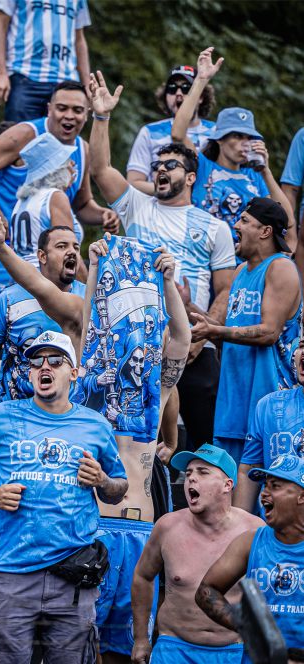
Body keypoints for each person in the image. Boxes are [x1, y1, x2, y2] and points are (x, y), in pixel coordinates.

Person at [0, 330, 128, 663]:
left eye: (56, 360)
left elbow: (119, 490)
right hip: (11, 572)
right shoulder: (2, 416)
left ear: (74, 372)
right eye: (36, 362)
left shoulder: (96, 425)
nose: (45, 366)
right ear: (29, 374)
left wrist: (102, 480)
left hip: (73, 574)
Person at [87, 70, 236, 450]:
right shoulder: (137, 204)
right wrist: (101, 116)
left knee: (204, 443)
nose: (160, 170)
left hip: (196, 343)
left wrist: (206, 333)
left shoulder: (216, 227)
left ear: (191, 178)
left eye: (171, 165)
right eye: (157, 165)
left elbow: (225, 289)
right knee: (137, 439)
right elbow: (100, 170)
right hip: (137, 339)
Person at [83, 233, 191, 664]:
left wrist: (168, 282)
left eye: (146, 348)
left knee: (127, 650)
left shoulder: (155, 396)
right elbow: (88, 330)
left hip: (141, 532)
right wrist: (95, 269)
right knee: (79, 643)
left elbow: (181, 339)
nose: (140, 352)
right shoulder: (87, 395)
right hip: (94, 526)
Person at [189, 198, 301, 464]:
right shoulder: (240, 271)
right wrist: (188, 306)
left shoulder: (280, 267)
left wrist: (216, 332)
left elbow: (269, 333)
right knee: (232, 482)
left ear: (265, 231)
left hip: (271, 404)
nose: (236, 225)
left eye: (244, 220)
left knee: (266, 483)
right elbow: (229, 335)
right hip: (233, 401)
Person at [130, 444, 265, 664]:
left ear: (227, 484)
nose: (191, 478)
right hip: (174, 649)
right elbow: (143, 576)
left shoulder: (256, 531)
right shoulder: (167, 527)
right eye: (189, 473)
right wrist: (141, 638)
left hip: (236, 650)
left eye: (203, 472)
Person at [171, 48, 294, 245]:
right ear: (219, 139)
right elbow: (177, 134)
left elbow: (286, 221)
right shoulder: (202, 167)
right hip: (204, 256)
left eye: (249, 137)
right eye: (237, 136)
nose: (245, 142)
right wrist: (201, 80)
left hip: (243, 259)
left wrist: (266, 172)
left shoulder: (255, 177)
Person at [0, 81, 119, 235]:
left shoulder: (83, 150)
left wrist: (105, 215)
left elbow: (82, 205)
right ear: (49, 109)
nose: (69, 116)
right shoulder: (24, 135)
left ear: (86, 115)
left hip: (41, 246)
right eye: (62, 108)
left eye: (77, 110)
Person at [196, 454, 304, 660]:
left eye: (275, 486)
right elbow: (206, 590)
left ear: (302, 496)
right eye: (265, 485)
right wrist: (245, 625)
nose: (264, 493)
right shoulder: (250, 542)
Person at [0, 223, 86, 408]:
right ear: (42, 256)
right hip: (12, 414)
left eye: (76, 247)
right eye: (62, 246)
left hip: (64, 416)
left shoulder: (90, 300)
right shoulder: (9, 300)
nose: (72, 252)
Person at [0, 0, 91, 122]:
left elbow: (79, 38)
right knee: (20, 133)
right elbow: (0, 25)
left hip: (66, 81)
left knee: (63, 135)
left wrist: (87, 86)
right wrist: (0, 74)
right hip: (24, 75)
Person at [235, 339, 304, 513]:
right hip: (276, 523)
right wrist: (238, 523)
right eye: (302, 346)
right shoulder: (269, 405)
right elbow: (250, 468)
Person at [126, 65, 216, 196]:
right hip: (162, 206)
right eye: (172, 89)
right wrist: (173, 189)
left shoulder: (217, 132)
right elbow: (134, 183)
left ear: (201, 97)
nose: (178, 93)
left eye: (187, 89)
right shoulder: (150, 132)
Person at [9, 132, 83, 265]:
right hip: (44, 276)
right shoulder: (55, 197)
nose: (72, 163)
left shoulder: (22, 200)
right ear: (58, 168)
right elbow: (67, 255)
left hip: (19, 275)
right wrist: (88, 279)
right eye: (67, 160)